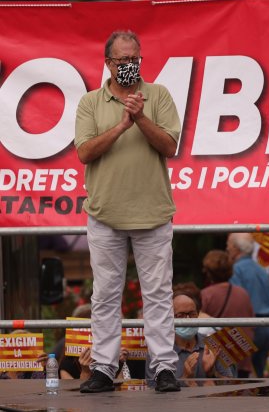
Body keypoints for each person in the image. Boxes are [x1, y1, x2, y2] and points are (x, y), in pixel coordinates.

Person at [74, 30, 181, 393]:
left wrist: (141, 119)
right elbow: (85, 152)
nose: (129, 66)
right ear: (108, 63)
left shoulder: (159, 95)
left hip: (153, 214)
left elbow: (170, 145)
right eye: (122, 61)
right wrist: (121, 125)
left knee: (158, 295)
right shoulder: (91, 102)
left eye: (134, 60)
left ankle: (164, 367)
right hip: (105, 214)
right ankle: (104, 367)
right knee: (104, 295)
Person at [145, 290, 236, 380]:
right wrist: (185, 379)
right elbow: (152, 389)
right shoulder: (159, 350)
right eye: (181, 315)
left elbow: (229, 384)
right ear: (170, 318)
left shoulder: (213, 344)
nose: (188, 319)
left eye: (192, 314)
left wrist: (211, 373)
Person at [227, 233, 269, 377]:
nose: (227, 248)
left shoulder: (236, 270)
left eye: (228, 245)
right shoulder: (261, 270)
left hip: (249, 328)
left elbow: (236, 303)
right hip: (268, 329)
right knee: (257, 376)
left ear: (235, 248)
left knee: (241, 378)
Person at [200, 249, 255, 377]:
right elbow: (252, 324)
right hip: (242, 352)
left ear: (208, 272)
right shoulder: (243, 293)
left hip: (220, 358)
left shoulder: (206, 295)